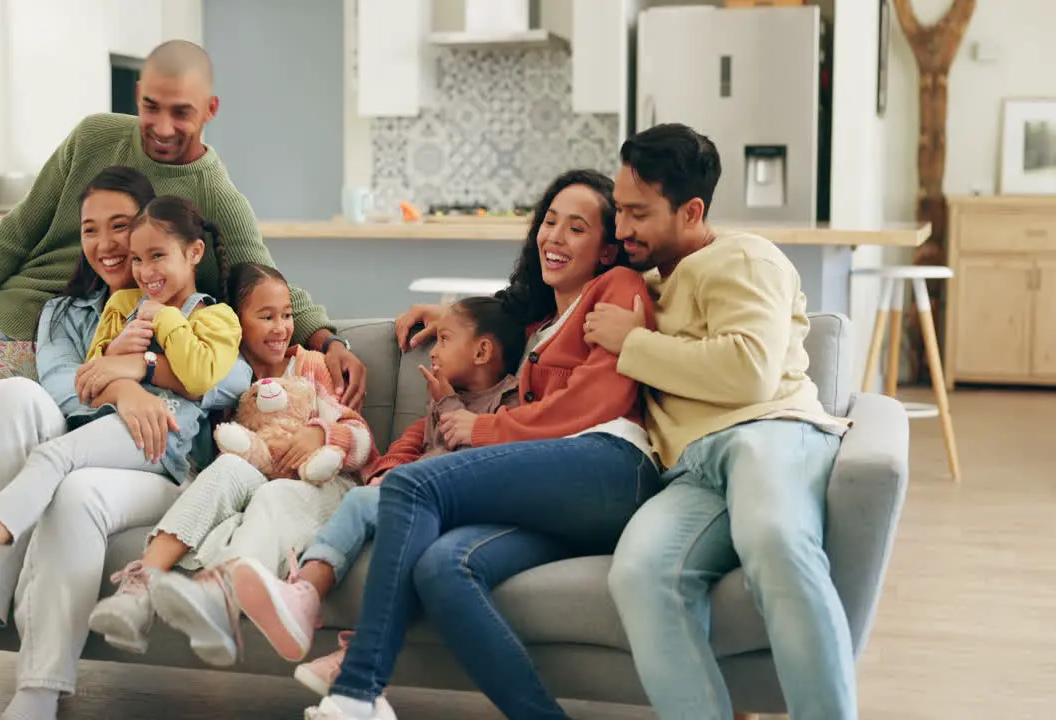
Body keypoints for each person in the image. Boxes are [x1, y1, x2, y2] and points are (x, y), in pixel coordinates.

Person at [0, 39, 365, 470]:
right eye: (151, 106)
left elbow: (263, 279)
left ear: (209, 110)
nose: (162, 127)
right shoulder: (94, 136)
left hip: (33, 328)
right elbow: (18, 230)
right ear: (137, 96)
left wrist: (329, 339)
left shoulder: (213, 193)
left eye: (181, 112)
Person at [0, 167, 252, 720]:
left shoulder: (205, 312)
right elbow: (69, 389)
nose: (111, 246)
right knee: (43, 451)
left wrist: (137, 364)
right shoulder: (72, 313)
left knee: (58, 475)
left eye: (124, 228)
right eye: (91, 229)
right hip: (98, 451)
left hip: (166, 460)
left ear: (174, 244)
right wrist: (122, 386)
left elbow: (225, 378)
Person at [303, 169, 662, 720]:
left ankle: (358, 689)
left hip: (609, 466)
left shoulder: (616, 290)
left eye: (576, 228)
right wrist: (447, 318)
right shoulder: (537, 320)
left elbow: (597, 401)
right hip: (554, 495)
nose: (555, 238)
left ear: (608, 247)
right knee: (444, 568)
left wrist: (487, 430)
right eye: (549, 222)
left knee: (412, 485)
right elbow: (493, 319)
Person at [583, 124, 855, 720]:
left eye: (638, 212)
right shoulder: (646, 284)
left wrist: (636, 343)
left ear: (692, 210)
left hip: (769, 432)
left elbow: (750, 370)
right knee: (639, 574)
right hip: (691, 468)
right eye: (618, 210)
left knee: (776, 540)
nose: (622, 227)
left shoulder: (746, 257)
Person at [225, 294, 525, 695]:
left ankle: (306, 594)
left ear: (483, 350)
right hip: (420, 500)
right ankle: (349, 653)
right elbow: (409, 447)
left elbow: (476, 460)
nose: (434, 350)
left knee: (361, 503)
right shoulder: (444, 399)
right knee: (369, 511)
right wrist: (387, 473)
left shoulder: (508, 402)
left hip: (459, 504)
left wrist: (445, 405)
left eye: (446, 339)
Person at [88, 263, 377, 662]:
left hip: (325, 481)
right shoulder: (228, 374)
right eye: (266, 316)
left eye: (287, 315)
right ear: (238, 323)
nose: (281, 327)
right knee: (227, 470)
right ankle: (138, 589)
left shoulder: (310, 365)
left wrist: (323, 434)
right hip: (257, 473)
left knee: (274, 495)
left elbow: (362, 439)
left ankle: (218, 592)